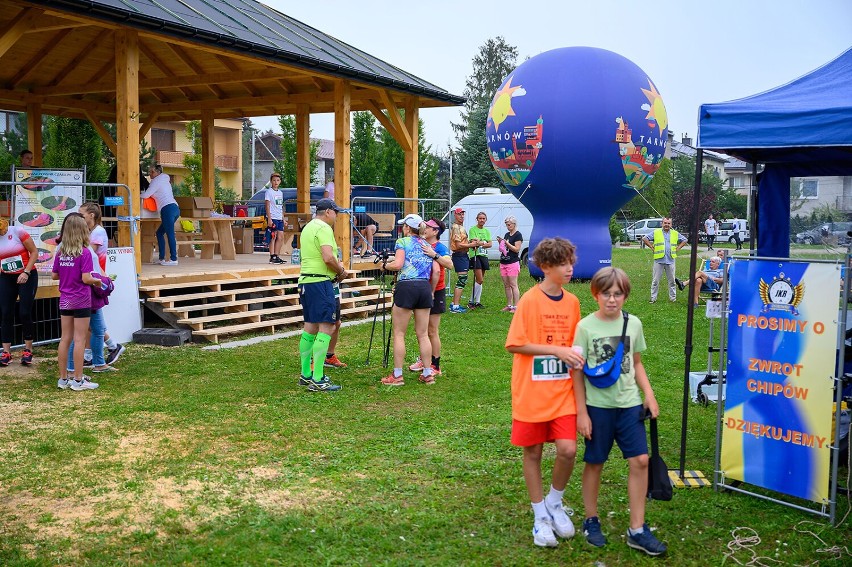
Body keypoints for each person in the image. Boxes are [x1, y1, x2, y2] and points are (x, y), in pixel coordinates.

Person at [572, 267, 667, 556]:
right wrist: (581, 412)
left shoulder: (633, 324)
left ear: (625, 296)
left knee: (640, 460)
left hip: (629, 405)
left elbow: (636, 363)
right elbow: (576, 373)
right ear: (596, 295)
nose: (612, 300)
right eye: (606, 294)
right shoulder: (585, 327)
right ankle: (591, 519)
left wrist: (648, 395)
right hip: (597, 408)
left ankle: (637, 529)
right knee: (595, 462)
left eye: (618, 294)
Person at [504, 237, 586, 548]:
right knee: (534, 452)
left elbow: (576, 346)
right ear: (546, 267)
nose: (570, 268)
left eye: (571, 262)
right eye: (563, 263)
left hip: (563, 391)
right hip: (531, 392)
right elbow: (514, 343)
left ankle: (555, 502)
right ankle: (540, 515)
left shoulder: (573, 302)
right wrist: (556, 351)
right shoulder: (528, 300)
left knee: (567, 450)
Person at [380, 213, 438, 386]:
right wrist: (432, 290)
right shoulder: (427, 244)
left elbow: (397, 265)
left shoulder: (402, 242)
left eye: (403, 225)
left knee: (399, 333)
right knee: (422, 334)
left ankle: (397, 375)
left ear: (407, 228)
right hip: (424, 288)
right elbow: (435, 270)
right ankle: (428, 373)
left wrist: (384, 266)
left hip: (407, 287)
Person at [297, 198, 348, 392]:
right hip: (320, 282)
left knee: (310, 327)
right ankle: (318, 378)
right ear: (328, 212)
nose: (336, 217)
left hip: (306, 282)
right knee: (326, 327)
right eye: (336, 213)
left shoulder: (308, 227)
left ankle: (305, 374)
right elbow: (328, 257)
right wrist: (341, 271)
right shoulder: (324, 228)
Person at [53, 215, 101, 391]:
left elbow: (54, 275)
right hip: (81, 299)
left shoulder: (61, 252)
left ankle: (63, 378)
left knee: (65, 338)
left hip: (65, 299)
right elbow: (86, 278)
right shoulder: (85, 252)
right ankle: (78, 380)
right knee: (79, 339)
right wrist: (98, 281)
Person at [78, 202, 124, 368]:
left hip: (96, 278)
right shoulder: (91, 231)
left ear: (91, 215)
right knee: (90, 321)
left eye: (82, 215)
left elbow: (87, 252)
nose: (80, 218)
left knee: (93, 319)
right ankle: (96, 353)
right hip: (90, 277)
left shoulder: (98, 231)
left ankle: (112, 347)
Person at [408, 218, 452, 376]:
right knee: (421, 330)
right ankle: (424, 360)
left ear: (436, 232)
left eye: (429, 227)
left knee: (432, 330)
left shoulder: (439, 247)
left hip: (436, 291)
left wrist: (434, 255)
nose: (424, 228)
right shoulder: (420, 243)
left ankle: (435, 365)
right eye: (424, 225)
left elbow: (449, 265)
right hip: (421, 290)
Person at [0, 216, 39, 367]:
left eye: (2, 231)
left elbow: (34, 252)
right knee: (5, 312)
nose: (1, 234)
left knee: (24, 312)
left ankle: (28, 350)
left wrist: (26, 272)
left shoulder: (18, 232)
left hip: (27, 275)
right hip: (7, 277)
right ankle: (6, 352)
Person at [141, 164, 179, 266]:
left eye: (152, 172)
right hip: (175, 208)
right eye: (149, 172)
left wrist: (134, 195)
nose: (150, 174)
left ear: (158, 172)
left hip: (167, 209)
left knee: (170, 233)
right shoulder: (165, 180)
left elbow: (145, 195)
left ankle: (173, 259)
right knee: (159, 233)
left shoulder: (156, 181)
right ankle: (161, 258)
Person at [642, 217, 687, 303]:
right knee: (655, 281)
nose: (666, 225)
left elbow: (685, 240)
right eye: (665, 223)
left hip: (670, 260)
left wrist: (679, 247)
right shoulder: (656, 232)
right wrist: (651, 246)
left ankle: (673, 299)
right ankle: (653, 298)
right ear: (662, 223)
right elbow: (645, 238)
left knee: (672, 281)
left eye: (668, 223)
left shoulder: (675, 233)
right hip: (659, 260)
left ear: (671, 224)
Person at [449, 207, 477, 313]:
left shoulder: (461, 227)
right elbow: (458, 244)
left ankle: (454, 303)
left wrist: (471, 242)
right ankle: (455, 306)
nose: (462, 216)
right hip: (459, 255)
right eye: (459, 214)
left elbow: (463, 241)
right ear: (455, 215)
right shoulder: (455, 227)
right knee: (462, 279)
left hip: (463, 255)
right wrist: (471, 245)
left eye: (463, 214)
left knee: (462, 279)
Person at [497, 215, 523, 312]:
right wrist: (501, 242)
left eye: (509, 224)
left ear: (514, 224)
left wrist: (506, 243)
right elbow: (504, 248)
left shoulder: (518, 235)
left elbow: (516, 249)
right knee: (506, 285)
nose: (508, 226)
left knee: (513, 284)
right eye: (507, 225)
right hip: (504, 261)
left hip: (512, 262)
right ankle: (509, 305)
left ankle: (516, 306)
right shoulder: (507, 235)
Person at [467, 211, 492, 309]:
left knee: (480, 280)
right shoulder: (473, 230)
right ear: (477, 219)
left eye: (483, 218)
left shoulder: (487, 231)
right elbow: (473, 242)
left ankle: (477, 301)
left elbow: (490, 244)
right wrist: (483, 242)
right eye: (480, 218)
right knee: (479, 279)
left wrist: (480, 242)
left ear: (485, 220)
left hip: (484, 255)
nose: (482, 220)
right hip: (475, 255)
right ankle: (471, 301)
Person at [265, 173, 285, 264]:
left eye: (277, 180)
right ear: (271, 181)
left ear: (280, 181)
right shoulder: (269, 192)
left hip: (279, 217)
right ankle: (272, 255)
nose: (276, 182)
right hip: (272, 217)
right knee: (273, 236)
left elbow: (280, 206)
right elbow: (267, 205)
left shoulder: (280, 193)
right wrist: (269, 218)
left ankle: (276, 255)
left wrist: (283, 218)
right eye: (274, 180)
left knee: (280, 237)